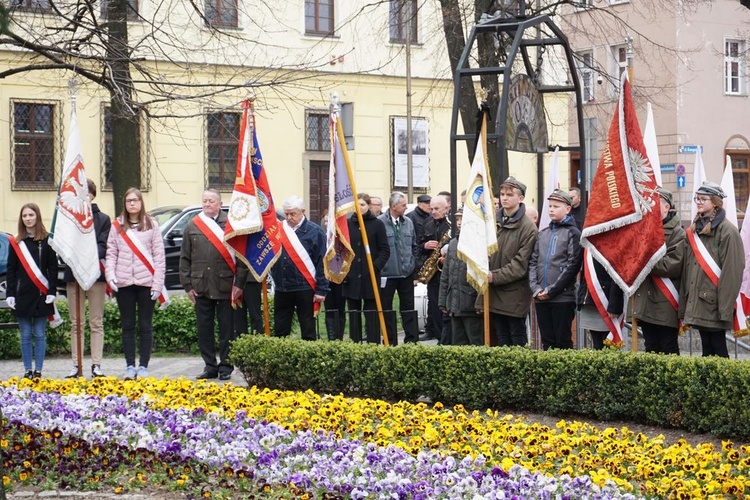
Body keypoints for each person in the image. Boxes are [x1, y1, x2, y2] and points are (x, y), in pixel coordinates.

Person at [180, 189, 247, 380]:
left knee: (227, 329)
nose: (207, 204)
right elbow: (185, 258)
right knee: (204, 329)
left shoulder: (231, 225)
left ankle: (226, 366)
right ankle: (210, 366)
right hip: (201, 285)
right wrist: (187, 285)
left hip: (226, 284)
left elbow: (242, 258)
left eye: (211, 201)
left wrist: (239, 284)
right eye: (204, 201)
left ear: (220, 203)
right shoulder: (193, 225)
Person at [106, 188, 166, 380]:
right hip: (124, 283)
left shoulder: (152, 225)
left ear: (141, 203)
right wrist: (110, 275)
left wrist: (157, 284)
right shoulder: (116, 226)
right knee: (128, 326)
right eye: (128, 200)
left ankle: (144, 366)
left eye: (135, 200)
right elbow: (111, 253)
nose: (132, 204)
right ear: (125, 204)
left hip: (146, 283)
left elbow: (159, 256)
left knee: (145, 325)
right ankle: (130, 366)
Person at [679, 181, 744, 358]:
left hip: (714, 302)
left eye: (703, 199)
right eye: (697, 198)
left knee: (718, 348)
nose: (698, 202)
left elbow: (732, 272)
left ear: (715, 202)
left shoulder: (727, 231)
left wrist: (724, 308)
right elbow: (689, 269)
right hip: (699, 300)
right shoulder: (695, 229)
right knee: (706, 349)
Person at [479, 177, 538, 347]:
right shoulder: (492, 221)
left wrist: (494, 276)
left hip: (514, 294)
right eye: (502, 194)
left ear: (520, 198)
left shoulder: (528, 228)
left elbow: (520, 265)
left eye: (510, 195)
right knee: (500, 338)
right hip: (494, 291)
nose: (504, 198)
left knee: (516, 338)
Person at [64, 180, 111, 378]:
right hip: (73, 275)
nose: (84, 197)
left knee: (96, 322)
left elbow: (103, 245)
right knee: (76, 323)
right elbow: (63, 243)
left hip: (95, 276)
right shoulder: (68, 218)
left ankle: (96, 365)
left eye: (86, 193)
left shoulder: (103, 219)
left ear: (92, 195)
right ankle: (77, 365)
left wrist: (85, 254)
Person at [6, 203, 58, 379]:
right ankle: (28, 369)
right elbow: (11, 270)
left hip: (42, 295)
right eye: (24, 216)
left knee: (40, 333)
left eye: (31, 215)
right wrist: (10, 294)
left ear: (37, 216)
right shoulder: (16, 242)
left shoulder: (47, 240)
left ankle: (39, 371)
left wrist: (52, 290)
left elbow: (53, 268)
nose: (28, 218)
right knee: (26, 334)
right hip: (22, 295)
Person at [632, 187, 685, 354]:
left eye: (653, 203)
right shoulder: (643, 230)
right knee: (651, 347)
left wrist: (643, 261)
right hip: (645, 298)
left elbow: (672, 265)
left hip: (665, 301)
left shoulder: (678, 233)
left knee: (668, 347)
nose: (648, 207)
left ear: (666, 207)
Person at [529, 189, 583, 350]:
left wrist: (551, 291)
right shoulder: (542, 234)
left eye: (556, 206)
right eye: (550, 206)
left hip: (562, 298)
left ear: (567, 209)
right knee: (547, 341)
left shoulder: (573, 233)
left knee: (563, 341)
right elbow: (533, 262)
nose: (551, 209)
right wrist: (536, 288)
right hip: (540, 296)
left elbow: (572, 265)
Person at [270, 195, 329, 341]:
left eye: (292, 214)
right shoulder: (278, 230)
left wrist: (321, 289)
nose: (289, 217)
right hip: (282, 287)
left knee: (308, 330)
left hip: (305, 287)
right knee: (280, 330)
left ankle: (307, 361)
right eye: (286, 214)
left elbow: (322, 262)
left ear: (303, 211)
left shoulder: (315, 231)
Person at [343, 193, 390, 343]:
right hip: (352, 277)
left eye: (362, 205)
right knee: (354, 313)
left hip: (370, 276)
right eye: (356, 205)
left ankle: (373, 342)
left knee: (371, 313)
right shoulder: (348, 224)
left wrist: (374, 267)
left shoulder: (377, 224)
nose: (359, 208)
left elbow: (384, 250)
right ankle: (355, 342)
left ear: (369, 206)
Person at [379, 191, 419, 345]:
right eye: (403, 205)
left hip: (406, 274)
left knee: (409, 308)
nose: (406, 207)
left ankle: (411, 339)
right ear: (393, 206)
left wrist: (412, 264)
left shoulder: (408, 222)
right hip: (387, 275)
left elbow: (414, 245)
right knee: (387, 309)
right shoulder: (380, 223)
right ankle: (390, 340)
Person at [438, 206, 482, 345]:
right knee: (458, 342)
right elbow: (446, 274)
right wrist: (443, 299)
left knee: (475, 340)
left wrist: (480, 302)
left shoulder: (478, 243)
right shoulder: (453, 244)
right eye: (457, 219)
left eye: (462, 218)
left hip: (471, 303)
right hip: (454, 303)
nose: (458, 222)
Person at [418, 194, 451, 344]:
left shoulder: (452, 225)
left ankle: (447, 338)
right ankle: (439, 337)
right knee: (434, 307)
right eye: (431, 209)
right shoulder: (428, 223)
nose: (433, 212)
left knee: (446, 308)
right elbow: (418, 245)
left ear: (447, 208)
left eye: (437, 209)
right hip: (433, 274)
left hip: (447, 272)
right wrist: (424, 246)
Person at [577, 258, 624, 350]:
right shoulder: (587, 246)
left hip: (607, 301)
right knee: (597, 345)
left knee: (609, 346)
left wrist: (614, 305)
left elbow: (616, 275)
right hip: (590, 300)